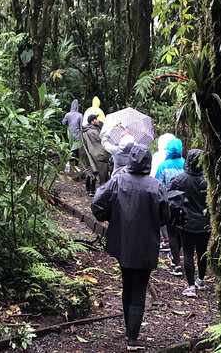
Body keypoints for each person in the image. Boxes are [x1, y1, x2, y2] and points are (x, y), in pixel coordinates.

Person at [91, 144, 170, 351]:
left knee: (127, 282)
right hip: (146, 244)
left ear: (131, 160)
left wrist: (111, 217)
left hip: (123, 242)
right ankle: (133, 337)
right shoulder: (155, 186)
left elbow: (97, 204)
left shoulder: (118, 181)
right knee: (139, 287)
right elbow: (165, 216)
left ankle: (129, 331)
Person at [167, 149, 211, 298]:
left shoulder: (180, 179)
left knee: (187, 252)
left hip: (187, 222)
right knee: (202, 252)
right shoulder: (207, 180)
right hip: (205, 222)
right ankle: (201, 280)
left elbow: (168, 193)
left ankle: (191, 286)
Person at [154, 138, 186, 276]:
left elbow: (157, 184)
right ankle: (176, 256)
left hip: (170, 204)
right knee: (181, 232)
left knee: (172, 232)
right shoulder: (186, 164)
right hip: (186, 203)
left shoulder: (163, 166)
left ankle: (176, 262)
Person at [151, 133, 176, 251]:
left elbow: (153, 174)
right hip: (177, 193)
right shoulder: (179, 158)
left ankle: (166, 240)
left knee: (162, 213)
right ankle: (174, 241)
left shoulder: (157, 156)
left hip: (161, 189)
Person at [80, 114, 110, 196]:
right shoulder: (92, 131)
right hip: (96, 153)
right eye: (96, 119)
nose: (98, 120)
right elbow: (101, 141)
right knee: (98, 171)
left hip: (89, 153)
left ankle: (89, 189)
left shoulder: (86, 130)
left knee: (91, 170)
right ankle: (94, 190)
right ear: (92, 122)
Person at [62, 99, 83, 171]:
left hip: (69, 134)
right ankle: (76, 166)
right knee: (77, 151)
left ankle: (67, 164)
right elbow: (81, 127)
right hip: (77, 135)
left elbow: (63, 123)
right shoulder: (80, 115)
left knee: (69, 150)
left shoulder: (67, 114)